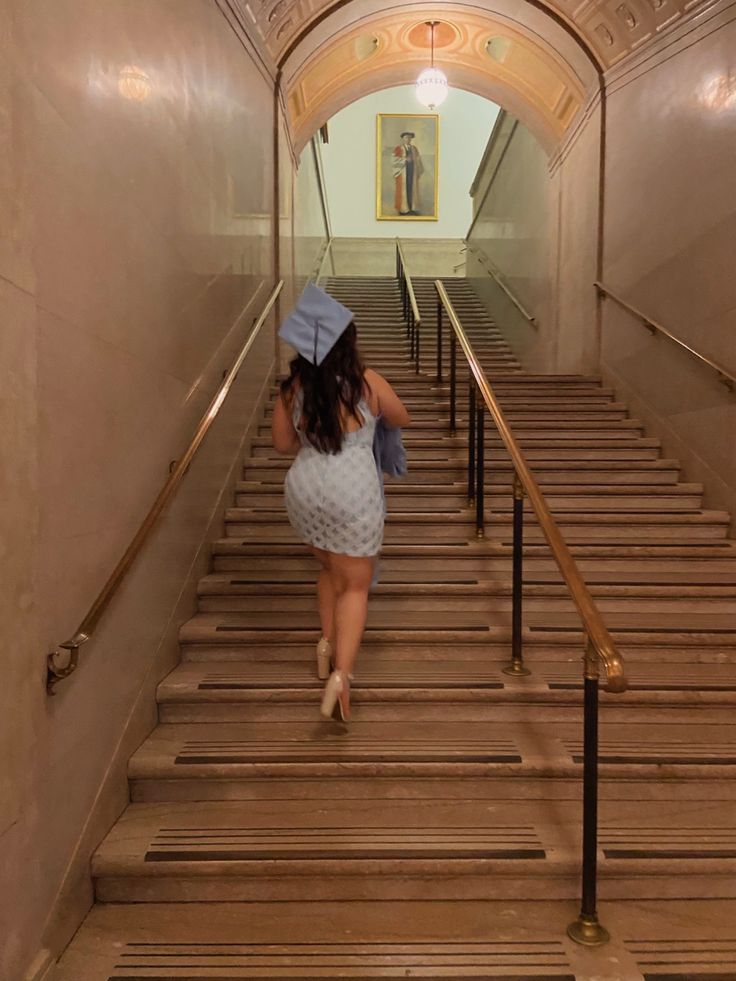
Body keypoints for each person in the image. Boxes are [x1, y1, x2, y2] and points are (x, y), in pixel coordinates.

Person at [272, 284, 411, 723]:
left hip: (305, 486)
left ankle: (325, 646)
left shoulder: (292, 388)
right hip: (351, 487)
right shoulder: (364, 381)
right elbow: (402, 416)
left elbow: (280, 444)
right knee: (355, 585)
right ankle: (341, 677)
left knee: (330, 570)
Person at [392, 131, 424, 215]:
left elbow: (418, 160)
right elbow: (394, 161)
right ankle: (403, 209)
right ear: (403, 139)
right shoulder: (398, 149)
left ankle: (412, 208)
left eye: (409, 138)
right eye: (406, 137)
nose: (408, 139)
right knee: (403, 190)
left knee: (412, 189)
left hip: (412, 172)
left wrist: (418, 169)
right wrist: (405, 159)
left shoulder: (414, 149)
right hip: (403, 173)